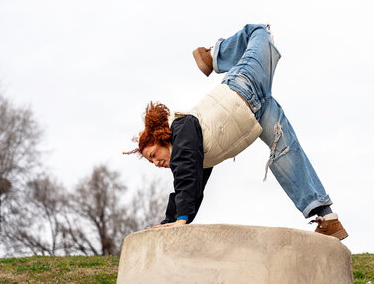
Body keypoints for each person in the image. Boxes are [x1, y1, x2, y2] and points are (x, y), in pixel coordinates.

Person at [124, 24, 348, 240]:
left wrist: (181, 218)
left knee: (259, 31)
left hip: (244, 84)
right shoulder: (196, 158)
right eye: (151, 162)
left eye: (153, 155)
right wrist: (171, 222)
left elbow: (184, 171)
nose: (156, 163)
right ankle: (326, 216)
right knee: (287, 152)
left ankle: (212, 56)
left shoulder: (181, 128)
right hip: (258, 110)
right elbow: (192, 187)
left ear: (162, 138)